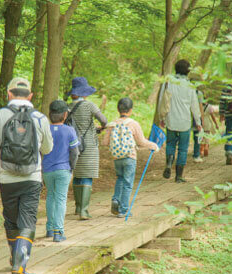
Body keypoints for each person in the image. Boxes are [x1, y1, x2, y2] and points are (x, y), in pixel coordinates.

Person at [0, 77, 53, 274]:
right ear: (31, 96)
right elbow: (48, 148)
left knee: (10, 218)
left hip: (7, 178)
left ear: (8, 94)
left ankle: (13, 255)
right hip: (32, 176)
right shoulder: (41, 118)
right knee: (27, 219)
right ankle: (20, 263)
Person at [103, 98, 160, 216]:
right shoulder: (133, 124)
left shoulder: (112, 124)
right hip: (129, 157)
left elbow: (104, 142)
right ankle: (123, 210)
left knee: (120, 178)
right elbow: (141, 142)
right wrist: (153, 145)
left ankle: (115, 200)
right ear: (130, 110)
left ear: (118, 109)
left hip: (117, 158)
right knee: (128, 183)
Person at [66, 76, 108, 220]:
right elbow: (104, 120)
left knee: (77, 175)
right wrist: (101, 127)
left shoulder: (68, 108)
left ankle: (78, 208)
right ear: (84, 93)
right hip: (88, 145)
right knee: (87, 176)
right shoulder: (89, 105)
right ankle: (84, 210)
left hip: (74, 146)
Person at [159, 60, 202, 182]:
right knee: (183, 149)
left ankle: (169, 164)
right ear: (188, 71)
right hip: (185, 122)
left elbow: (162, 101)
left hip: (171, 119)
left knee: (171, 144)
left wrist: (161, 117)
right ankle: (178, 176)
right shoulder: (190, 86)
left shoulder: (168, 82)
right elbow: (194, 106)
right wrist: (198, 122)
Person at [42, 100, 79, 242]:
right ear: (65, 115)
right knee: (61, 199)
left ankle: (50, 229)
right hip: (63, 169)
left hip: (47, 169)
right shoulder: (69, 130)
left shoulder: (46, 130)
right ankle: (59, 231)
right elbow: (74, 152)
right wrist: (72, 166)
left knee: (50, 196)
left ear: (50, 114)